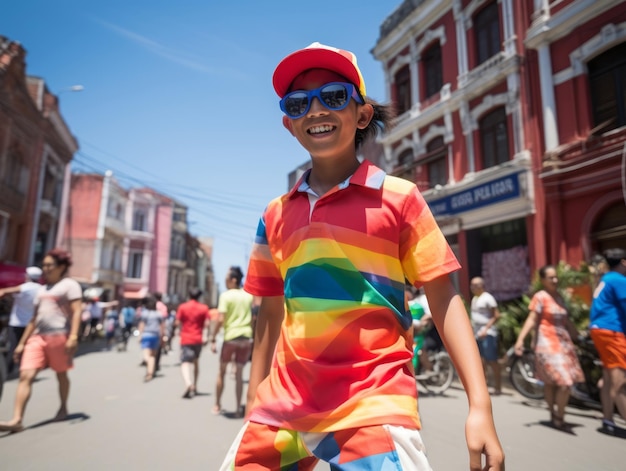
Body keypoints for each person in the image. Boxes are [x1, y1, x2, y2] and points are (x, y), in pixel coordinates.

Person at [218, 42, 504, 470]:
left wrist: (480, 406)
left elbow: (444, 297)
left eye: (332, 96)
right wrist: (253, 407)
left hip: (372, 405)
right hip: (281, 407)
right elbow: (270, 316)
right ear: (288, 124)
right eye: (298, 103)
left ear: (362, 114)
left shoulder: (399, 198)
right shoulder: (274, 214)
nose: (315, 110)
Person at [0, 248, 82, 433]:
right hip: (37, 337)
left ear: (61, 267)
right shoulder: (42, 289)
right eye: (44, 265)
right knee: (26, 376)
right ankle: (17, 419)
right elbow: (34, 318)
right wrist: (21, 344)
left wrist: (74, 337)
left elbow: (77, 311)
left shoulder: (70, 285)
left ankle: (63, 407)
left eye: (49, 265)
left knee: (61, 374)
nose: (45, 268)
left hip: (59, 336)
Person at [514, 265, 584, 430]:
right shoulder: (540, 297)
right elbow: (532, 319)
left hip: (564, 344)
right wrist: (520, 340)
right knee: (557, 382)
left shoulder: (559, 298)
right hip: (546, 344)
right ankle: (555, 415)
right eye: (551, 277)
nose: (555, 280)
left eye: (555, 277)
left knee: (559, 382)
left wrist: (578, 335)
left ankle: (558, 415)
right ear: (543, 280)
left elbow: (566, 321)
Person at [589, 248, 626, 436]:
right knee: (621, 381)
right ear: (624, 262)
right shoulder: (619, 280)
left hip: (600, 329)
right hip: (612, 330)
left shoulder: (605, 278)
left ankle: (608, 419)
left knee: (608, 378)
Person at [210, 266, 254, 418]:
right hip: (246, 337)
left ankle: (217, 405)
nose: (225, 281)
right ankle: (237, 409)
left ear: (233, 280)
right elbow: (253, 317)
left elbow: (221, 319)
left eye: (227, 279)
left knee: (222, 372)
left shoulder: (226, 296)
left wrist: (213, 337)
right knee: (240, 375)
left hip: (231, 337)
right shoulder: (248, 296)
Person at [0, 266, 42, 373]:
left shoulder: (25, 287)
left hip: (17, 323)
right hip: (31, 324)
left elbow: (4, 292)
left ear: (27, 276)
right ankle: (24, 368)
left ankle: (7, 370)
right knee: (26, 348)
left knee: (13, 347)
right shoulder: (41, 289)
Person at [175, 287, 210, 399]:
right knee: (195, 362)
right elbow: (207, 324)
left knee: (185, 362)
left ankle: (188, 383)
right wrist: (205, 336)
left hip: (186, 338)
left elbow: (178, 322)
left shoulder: (183, 307)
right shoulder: (204, 308)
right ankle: (195, 385)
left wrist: (179, 331)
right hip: (198, 339)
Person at [470, 277, 502, 395]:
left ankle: (498, 387)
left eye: (476, 285)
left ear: (482, 285)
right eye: (472, 285)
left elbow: (496, 315)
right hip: (477, 333)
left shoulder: (488, 298)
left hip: (488, 333)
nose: (473, 287)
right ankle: (485, 386)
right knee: (481, 361)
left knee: (492, 360)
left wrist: (486, 329)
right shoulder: (475, 299)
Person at [137, 295, 164, 382]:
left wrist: (140, 335)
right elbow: (162, 327)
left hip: (146, 335)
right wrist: (162, 337)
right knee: (152, 356)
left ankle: (149, 371)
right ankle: (150, 373)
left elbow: (141, 325)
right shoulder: (159, 314)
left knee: (146, 355)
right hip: (155, 335)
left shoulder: (145, 313)